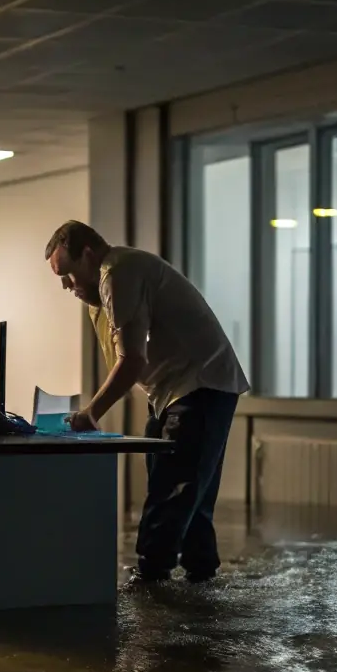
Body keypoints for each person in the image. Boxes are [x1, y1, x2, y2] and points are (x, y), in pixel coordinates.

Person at [45, 221, 249, 586]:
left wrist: (90, 413)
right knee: (191, 495)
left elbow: (132, 360)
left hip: (199, 385)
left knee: (173, 490)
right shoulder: (105, 287)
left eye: (68, 275)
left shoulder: (117, 272)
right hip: (180, 390)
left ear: (89, 255)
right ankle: (201, 579)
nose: (66, 286)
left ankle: (151, 582)